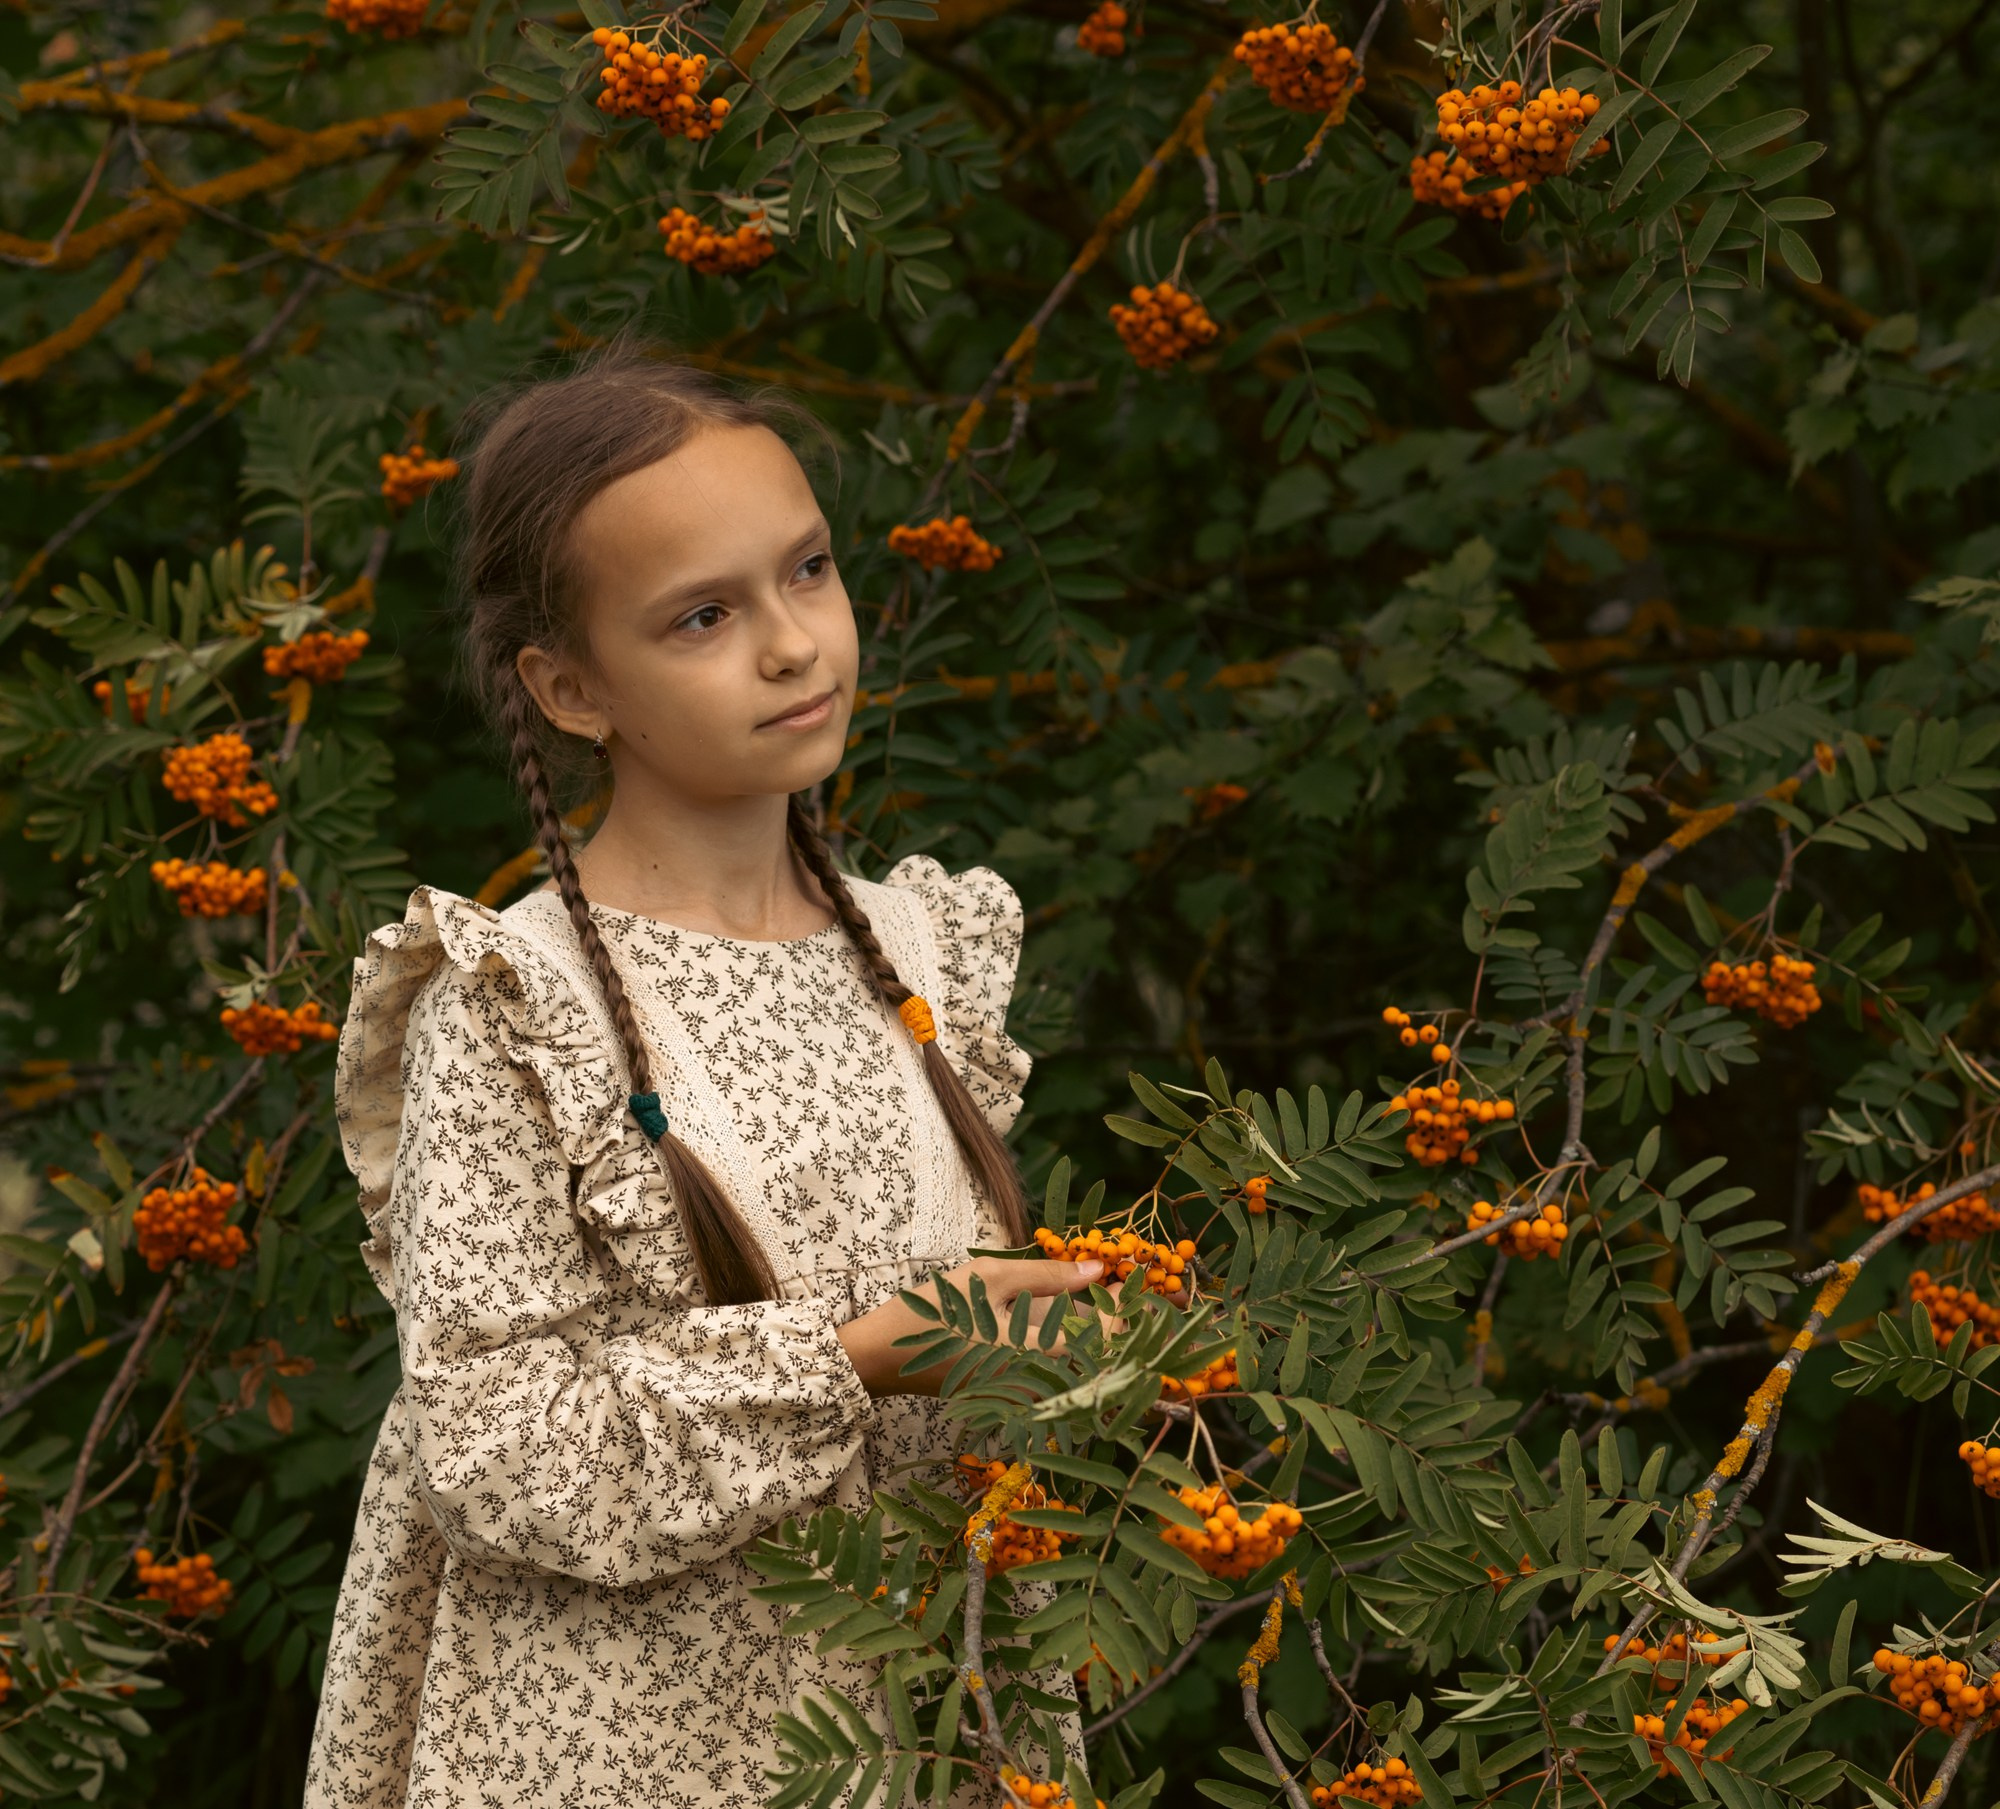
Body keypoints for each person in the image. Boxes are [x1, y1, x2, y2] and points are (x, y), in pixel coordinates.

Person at [303, 347, 1108, 1807]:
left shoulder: (929, 952)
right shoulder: (515, 1005)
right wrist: (856, 1354)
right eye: (704, 615)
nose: (794, 644)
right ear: (570, 687)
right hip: (629, 1731)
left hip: (918, 1707)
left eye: (807, 571)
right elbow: (488, 1450)